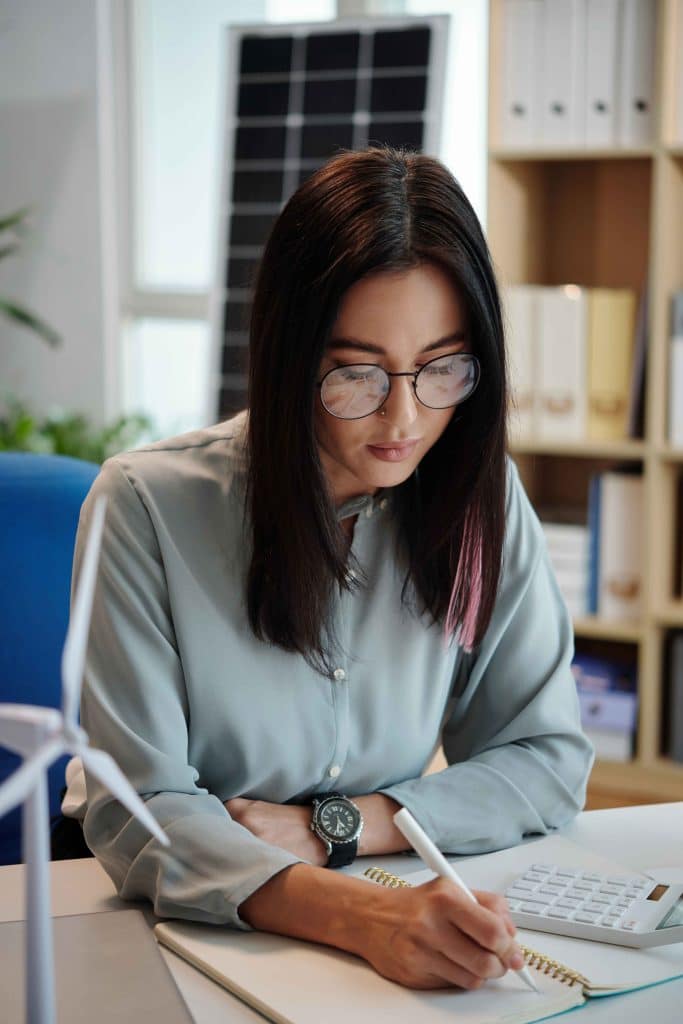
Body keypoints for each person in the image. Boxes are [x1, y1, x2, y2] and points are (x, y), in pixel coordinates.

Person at [62, 146, 593, 992]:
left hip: (377, 907)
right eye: (356, 373)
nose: (404, 416)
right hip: (181, 933)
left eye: (441, 368)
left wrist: (339, 829)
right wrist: (360, 916)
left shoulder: (476, 491)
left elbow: (544, 754)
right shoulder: (147, 506)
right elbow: (142, 810)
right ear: (288, 356)